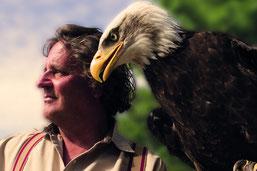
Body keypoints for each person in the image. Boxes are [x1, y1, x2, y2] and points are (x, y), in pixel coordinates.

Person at [0, 24, 167, 171]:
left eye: (58, 72)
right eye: (45, 71)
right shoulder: (10, 152)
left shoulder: (146, 166)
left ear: (96, 85)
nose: (40, 82)